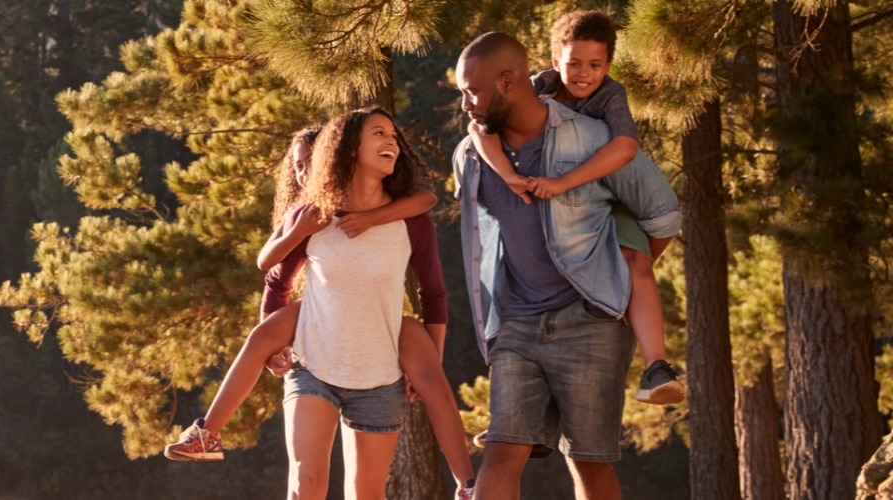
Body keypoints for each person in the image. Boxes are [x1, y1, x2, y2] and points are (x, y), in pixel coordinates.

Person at [164, 109, 472, 499]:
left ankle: (469, 485)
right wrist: (277, 346)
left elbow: (434, 294)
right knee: (306, 484)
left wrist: (428, 360)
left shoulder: (411, 220)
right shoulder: (311, 216)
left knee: (365, 495)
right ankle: (206, 433)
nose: (392, 141)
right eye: (379, 133)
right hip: (316, 365)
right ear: (346, 149)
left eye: (393, 135)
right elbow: (275, 276)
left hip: (378, 379)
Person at [451, 31, 682, 500]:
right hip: (515, 323)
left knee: (588, 462)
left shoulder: (595, 138)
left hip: (590, 322)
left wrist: (622, 272)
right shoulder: (469, 156)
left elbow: (663, 214)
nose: (465, 104)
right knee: (500, 451)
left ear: (508, 82)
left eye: (471, 91)